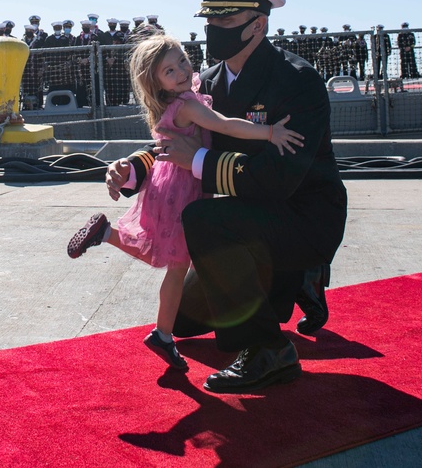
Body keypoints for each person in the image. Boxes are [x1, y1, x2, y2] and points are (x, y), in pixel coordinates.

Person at [105, 0, 347, 392]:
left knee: (203, 219)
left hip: (300, 216)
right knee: (181, 321)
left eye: (225, 21)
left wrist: (198, 159)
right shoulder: (208, 83)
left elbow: (279, 179)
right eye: (210, 20)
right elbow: (175, 139)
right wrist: (132, 171)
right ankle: (290, 283)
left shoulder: (296, 80)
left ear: (259, 24)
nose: (214, 30)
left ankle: (270, 349)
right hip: (249, 219)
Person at [68, 31, 303, 371]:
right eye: (170, 70)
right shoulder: (188, 105)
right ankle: (158, 323)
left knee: (171, 261)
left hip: (170, 184)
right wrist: (269, 132)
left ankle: (162, 331)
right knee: (175, 262)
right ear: (159, 84)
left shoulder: (178, 100)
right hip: (181, 187)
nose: (181, 70)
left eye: (181, 60)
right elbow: (226, 125)